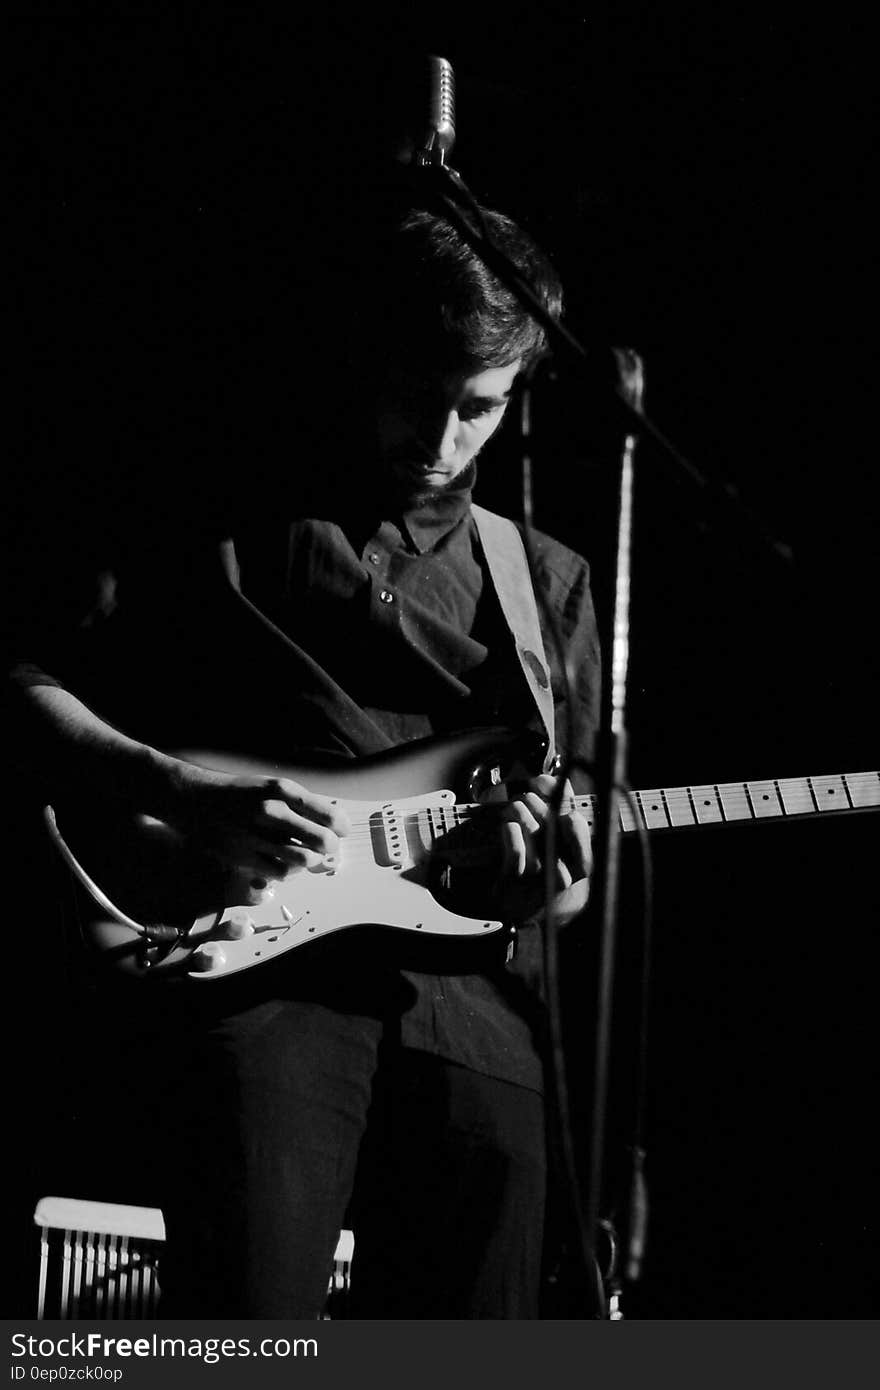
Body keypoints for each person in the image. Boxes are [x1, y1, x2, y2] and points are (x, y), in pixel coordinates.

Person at [6, 198, 602, 1318]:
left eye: (477, 409)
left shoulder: (548, 583)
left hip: (479, 1017)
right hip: (263, 976)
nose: (438, 440)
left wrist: (550, 876)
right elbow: (25, 678)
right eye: (415, 395)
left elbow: (565, 896)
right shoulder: (218, 515)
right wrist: (173, 787)